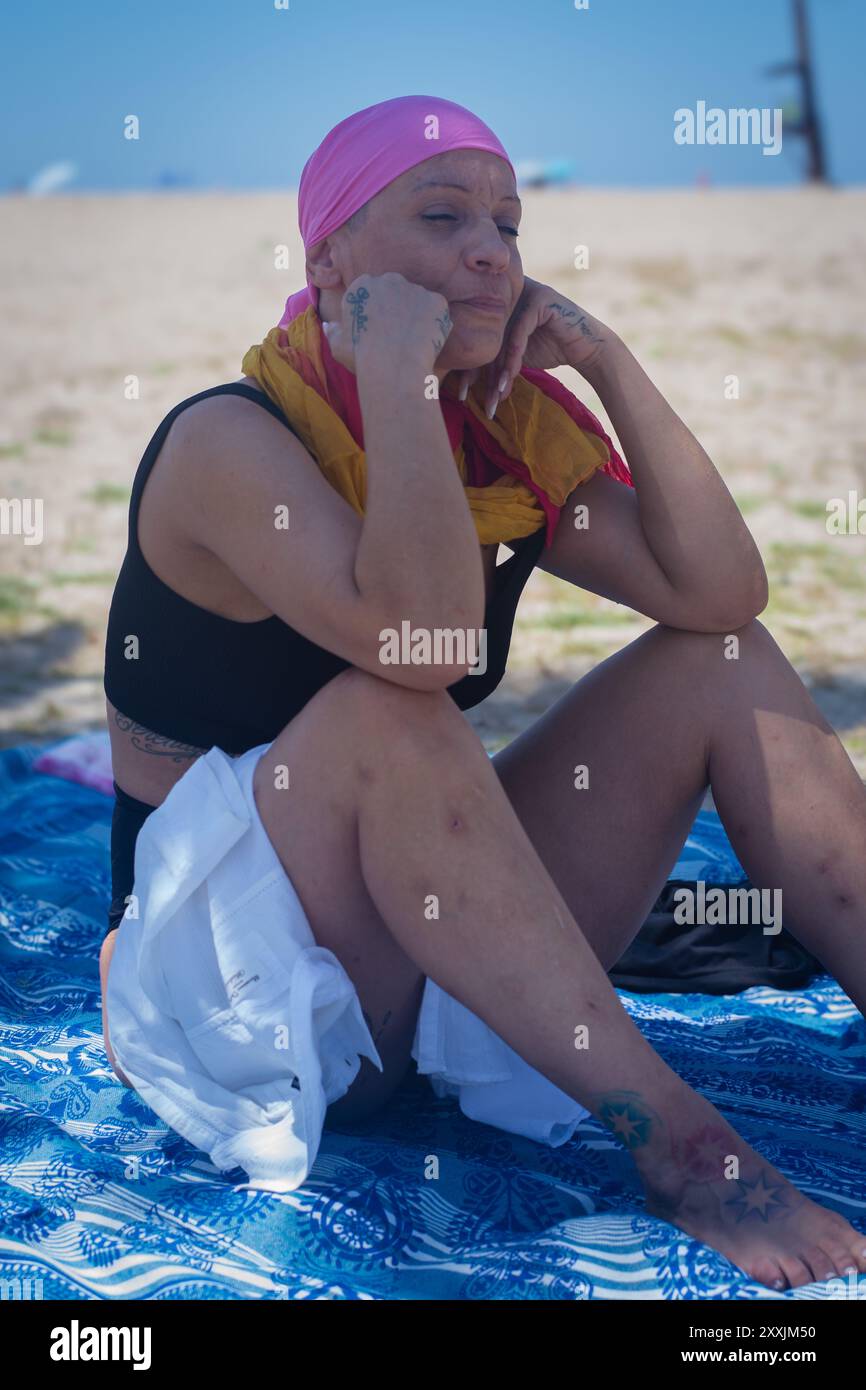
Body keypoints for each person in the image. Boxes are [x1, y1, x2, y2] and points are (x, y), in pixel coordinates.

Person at [100, 94, 866, 1292]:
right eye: (443, 215)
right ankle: (680, 1146)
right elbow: (420, 643)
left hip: (429, 954)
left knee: (715, 664)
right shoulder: (225, 442)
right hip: (237, 984)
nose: (489, 253)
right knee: (387, 706)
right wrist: (398, 375)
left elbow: (717, 595)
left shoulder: (499, 432)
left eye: (508, 225)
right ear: (329, 262)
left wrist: (608, 363)